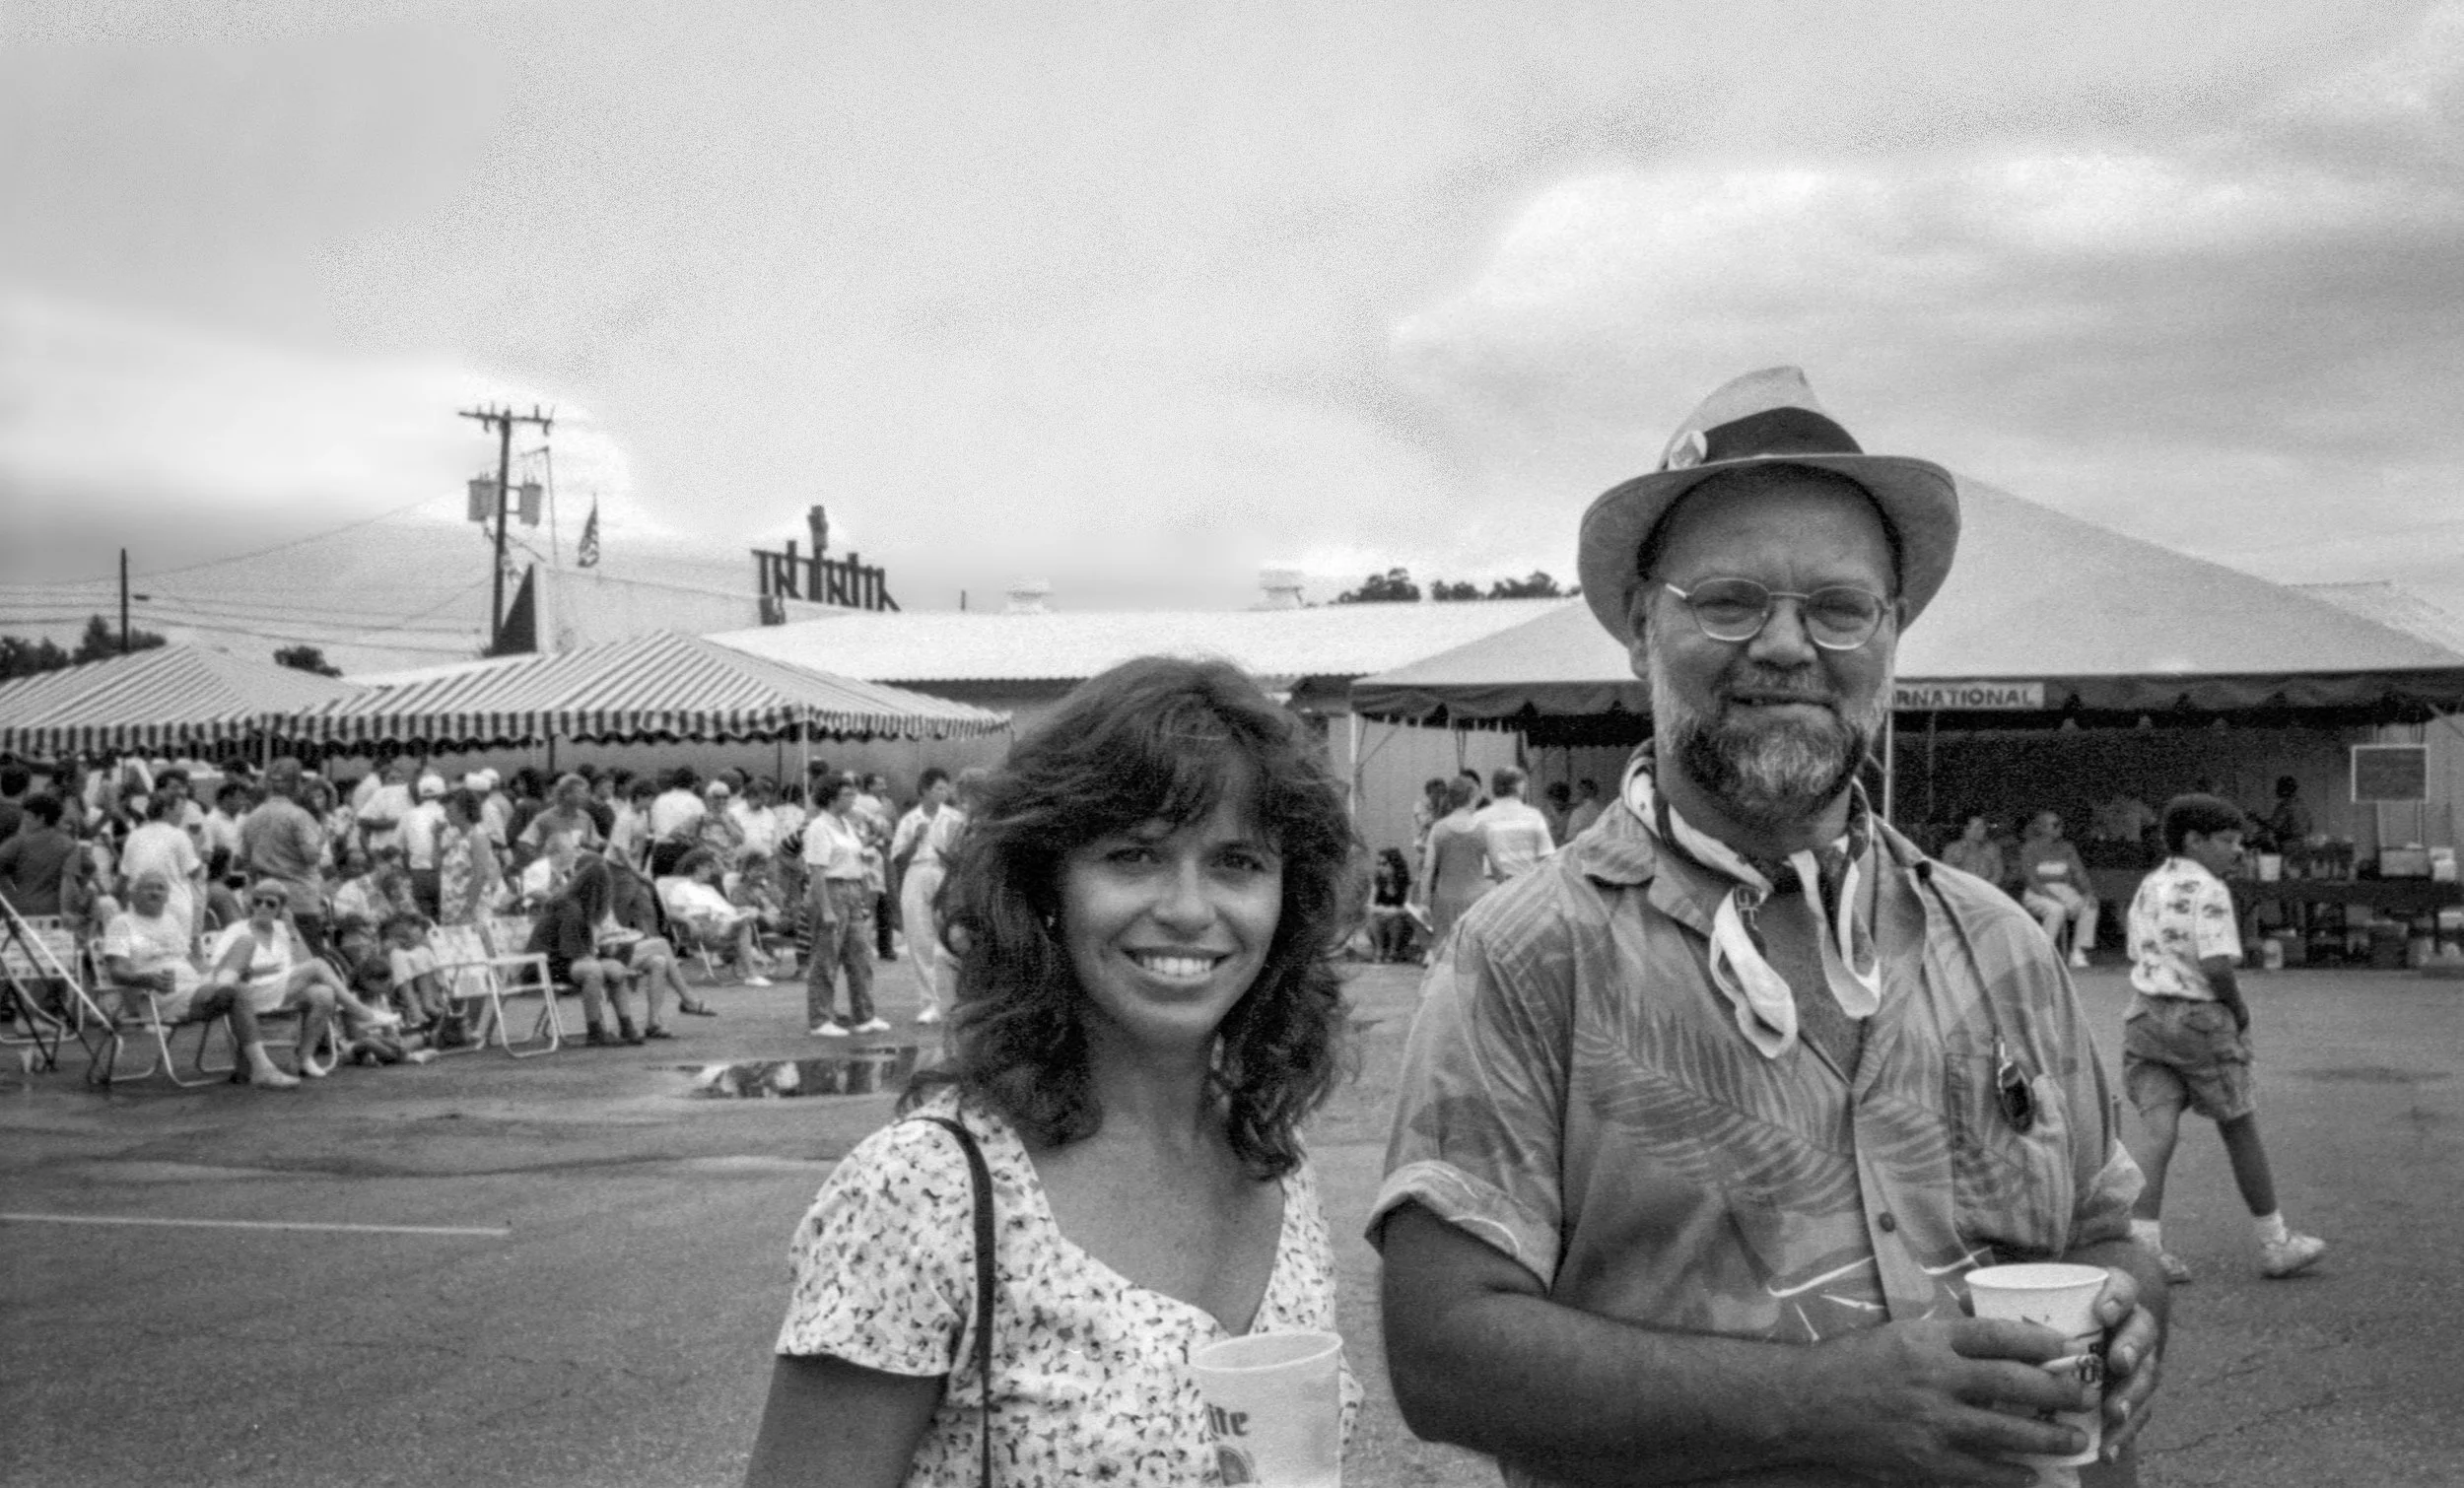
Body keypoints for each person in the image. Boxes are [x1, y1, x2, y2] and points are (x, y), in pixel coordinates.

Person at [1374, 368, 2161, 1488]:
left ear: (1888, 639)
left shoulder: (2000, 945)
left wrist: (2134, 1316)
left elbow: (2110, 1235)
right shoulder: (1524, 954)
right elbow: (1444, 1352)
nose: (1788, 644)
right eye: (1729, 600)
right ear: (1642, 631)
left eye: (1839, 608)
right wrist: (1817, 1404)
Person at [744, 655, 1361, 1486]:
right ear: (1044, 887)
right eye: (1134, 856)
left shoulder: (1274, 1164)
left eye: (1237, 862)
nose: (1187, 908)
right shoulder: (924, 1194)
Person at [2122, 794, 2327, 1286]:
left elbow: (2137, 948)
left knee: (2158, 1133)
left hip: (2144, 1015)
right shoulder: (2208, 889)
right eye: (2228, 841)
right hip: (2199, 1019)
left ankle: (2144, 1245)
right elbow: (2216, 963)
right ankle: (2275, 1241)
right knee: (2239, 1125)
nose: (2238, 851)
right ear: (2194, 840)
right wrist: (2237, 1011)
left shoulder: (2152, 883)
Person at [206, 880, 386, 1083]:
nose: (262, 907)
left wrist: (293, 932)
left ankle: (305, 1057)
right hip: (248, 992)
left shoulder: (282, 930)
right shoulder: (237, 930)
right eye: (257, 902)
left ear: (281, 909)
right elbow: (218, 970)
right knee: (318, 965)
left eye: (270, 903)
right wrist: (251, 971)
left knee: (323, 994)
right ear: (250, 904)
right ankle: (360, 1011)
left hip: (279, 990)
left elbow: (304, 964)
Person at [526, 855, 649, 1048]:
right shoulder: (569, 908)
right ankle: (595, 1030)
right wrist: (597, 955)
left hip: (566, 961)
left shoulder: (580, 907)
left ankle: (627, 1026)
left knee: (616, 968)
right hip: (545, 965)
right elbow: (572, 951)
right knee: (593, 971)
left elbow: (583, 950)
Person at [801, 775, 888, 1037]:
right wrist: (825, 909)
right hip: (831, 888)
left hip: (851, 889)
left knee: (860, 956)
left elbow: (856, 857)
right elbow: (817, 871)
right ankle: (820, 1018)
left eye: (853, 794)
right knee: (826, 957)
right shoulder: (819, 827)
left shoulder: (846, 824)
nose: (852, 800)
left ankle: (864, 1015)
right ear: (831, 799)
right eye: (846, 795)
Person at [240, 759, 332, 954]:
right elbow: (311, 857)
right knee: (309, 956)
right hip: (300, 899)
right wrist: (323, 836)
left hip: (265, 897)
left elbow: (246, 860)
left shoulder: (253, 816)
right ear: (297, 785)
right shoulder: (299, 816)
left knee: (273, 956)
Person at [890, 768, 956, 1023]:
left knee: (953, 937)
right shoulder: (910, 820)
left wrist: (947, 855)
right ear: (925, 791)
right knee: (919, 939)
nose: (943, 793)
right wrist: (915, 841)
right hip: (917, 873)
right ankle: (929, 1003)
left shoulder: (954, 818)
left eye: (945, 788)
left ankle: (958, 1000)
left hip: (944, 873)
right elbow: (898, 858)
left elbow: (959, 853)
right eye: (938, 788)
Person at [658, 846, 776, 986]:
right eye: (709, 867)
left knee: (745, 922)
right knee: (743, 925)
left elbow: (729, 910)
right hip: (700, 925)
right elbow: (673, 913)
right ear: (698, 867)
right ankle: (751, 971)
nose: (712, 871)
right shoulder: (682, 888)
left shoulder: (709, 889)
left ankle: (750, 968)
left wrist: (744, 909)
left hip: (721, 922)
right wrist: (689, 922)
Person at [2018, 808, 2099, 969]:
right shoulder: (2029, 848)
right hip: (2038, 892)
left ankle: (2078, 952)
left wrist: (2088, 892)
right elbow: (2031, 879)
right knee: (2056, 910)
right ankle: (2044, 954)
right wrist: (2050, 896)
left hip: (2064, 890)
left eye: (2060, 824)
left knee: (2090, 905)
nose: (2060, 827)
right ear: (2041, 828)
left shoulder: (2067, 847)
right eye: (2055, 825)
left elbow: (2078, 873)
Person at [1411, 776, 1488, 946]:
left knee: (1445, 948)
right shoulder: (1482, 827)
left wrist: (1425, 902)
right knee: (1472, 946)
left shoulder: (1438, 829)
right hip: (1476, 896)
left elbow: (1428, 868)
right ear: (1471, 797)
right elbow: (1497, 866)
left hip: (1445, 898)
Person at [116, 791, 206, 936]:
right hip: (173, 907)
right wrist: (196, 845)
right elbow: (194, 872)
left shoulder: (134, 836)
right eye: (179, 810)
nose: (181, 814)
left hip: (141, 908)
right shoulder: (179, 836)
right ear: (166, 810)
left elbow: (124, 876)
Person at [0, 793, 80, 918]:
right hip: (53, 913)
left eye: (27, 817)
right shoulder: (70, 846)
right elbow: (69, 882)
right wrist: (67, 912)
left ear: (41, 818)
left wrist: (9, 891)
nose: (23, 822)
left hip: (19, 911)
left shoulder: (19, 842)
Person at [1472, 766, 1555, 883]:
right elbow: (1547, 857)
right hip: (1525, 885)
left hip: (1490, 887)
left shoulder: (1478, 818)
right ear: (1519, 787)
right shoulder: (1534, 817)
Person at [435, 788, 503, 927]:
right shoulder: (455, 837)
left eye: (449, 811)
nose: (445, 815)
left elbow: (480, 875)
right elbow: (435, 863)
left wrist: (468, 909)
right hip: (452, 906)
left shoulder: (477, 837)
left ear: (463, 812)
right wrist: (436, 837)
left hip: (470, 909)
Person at [1368, 846, 1416, 963]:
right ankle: (1379, 951)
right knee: (1375, 918)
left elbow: (1409, 908)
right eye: (1378, 864)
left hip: (1401, 928)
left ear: (1394, 864)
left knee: (1396, 919)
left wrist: (1394, 911)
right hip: (1381, 924)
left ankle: (1393, 951)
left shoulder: (1406, 884)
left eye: (1384, 864)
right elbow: (1370, 905)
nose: (1380, 867)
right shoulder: (1378, 883)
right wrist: (1386, 911)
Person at [1942, 810, 2008, 888]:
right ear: (1966, 829)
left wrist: (1985, 889)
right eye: (1978, 828)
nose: (1983, 830)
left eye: (1983, 827)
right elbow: (1948, 876)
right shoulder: (1952, 850)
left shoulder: (1992, 848)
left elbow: (1998, 873)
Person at [2263, 776, 2312, 851]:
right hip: (2303, 844)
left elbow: (2274, 825)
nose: (2276, 790)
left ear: (2284, 789)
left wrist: (2257, 820)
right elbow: (2309, 825)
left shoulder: (2285, 805)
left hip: (2288, 844)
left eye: (2279, 787)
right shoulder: (2301, 803)